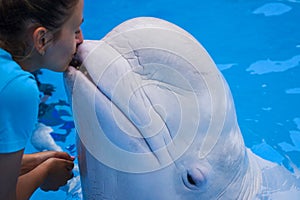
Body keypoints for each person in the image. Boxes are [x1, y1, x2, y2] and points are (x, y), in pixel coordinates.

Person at [0, 0, 84, 199]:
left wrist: (28, 162)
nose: (81, 40)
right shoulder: (17, 88)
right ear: (42, 39)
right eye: (75, 30)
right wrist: (44, 174)